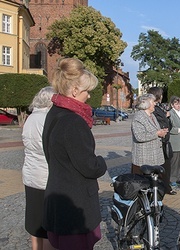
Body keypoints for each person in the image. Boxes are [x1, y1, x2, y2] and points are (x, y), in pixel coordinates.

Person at [41, 57, 108, 250]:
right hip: (74, 207)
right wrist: (101, 162)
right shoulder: (73, 121)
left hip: (58, 199)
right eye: (87, 91)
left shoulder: (54, 112)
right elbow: (89, 166)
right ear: (75, 90)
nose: (89, 96)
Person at [22, 86, 56, 250]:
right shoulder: (47, 119)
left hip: (30, 175)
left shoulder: (31, 117)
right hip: (46, 177)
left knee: (34, 222)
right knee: (48, 225)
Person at [147, 87, 176, 195]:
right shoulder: (153, 109)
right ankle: (161, 187)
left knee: (167, 165)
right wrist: (165, 117)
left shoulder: (159, 107)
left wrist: (167, 118)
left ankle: (165, 186)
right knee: (161, 166)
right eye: (161, 94)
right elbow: (158, 125)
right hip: (160, 141)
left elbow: (169, 126)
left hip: (165, 141)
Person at [131, 93, 168, 174]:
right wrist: (157, 133)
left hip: (155, 157)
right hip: (144, 159)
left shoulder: (152, 115)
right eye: (153, 102)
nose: (155, 103)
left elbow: (154, 130)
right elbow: (139, 136)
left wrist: (162, 132)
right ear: (146, 104)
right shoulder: (139, 117)